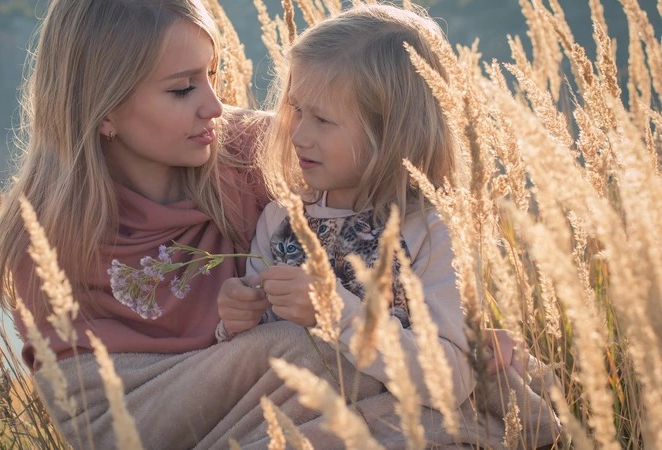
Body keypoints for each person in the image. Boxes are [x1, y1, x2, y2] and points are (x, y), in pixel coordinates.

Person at [0, 0, 552, 448]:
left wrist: (454, 330)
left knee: (319, 351)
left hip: (301, 371)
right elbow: (86, 407)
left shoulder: (253, 152)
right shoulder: (46, 231)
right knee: (294, 348)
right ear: (103, 107)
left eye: (213, 76)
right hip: (145, 403)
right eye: (183, 88)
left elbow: (387, 202)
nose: (216, 105)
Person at [216, 4, 561, 449]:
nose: (299, 134)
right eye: (295, 110)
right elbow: (258, 356)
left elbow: (450, 380)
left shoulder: (431, 232)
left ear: (391, 132)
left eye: (322, 120)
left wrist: (335, 310)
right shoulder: (283, 220)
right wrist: (234, 322)